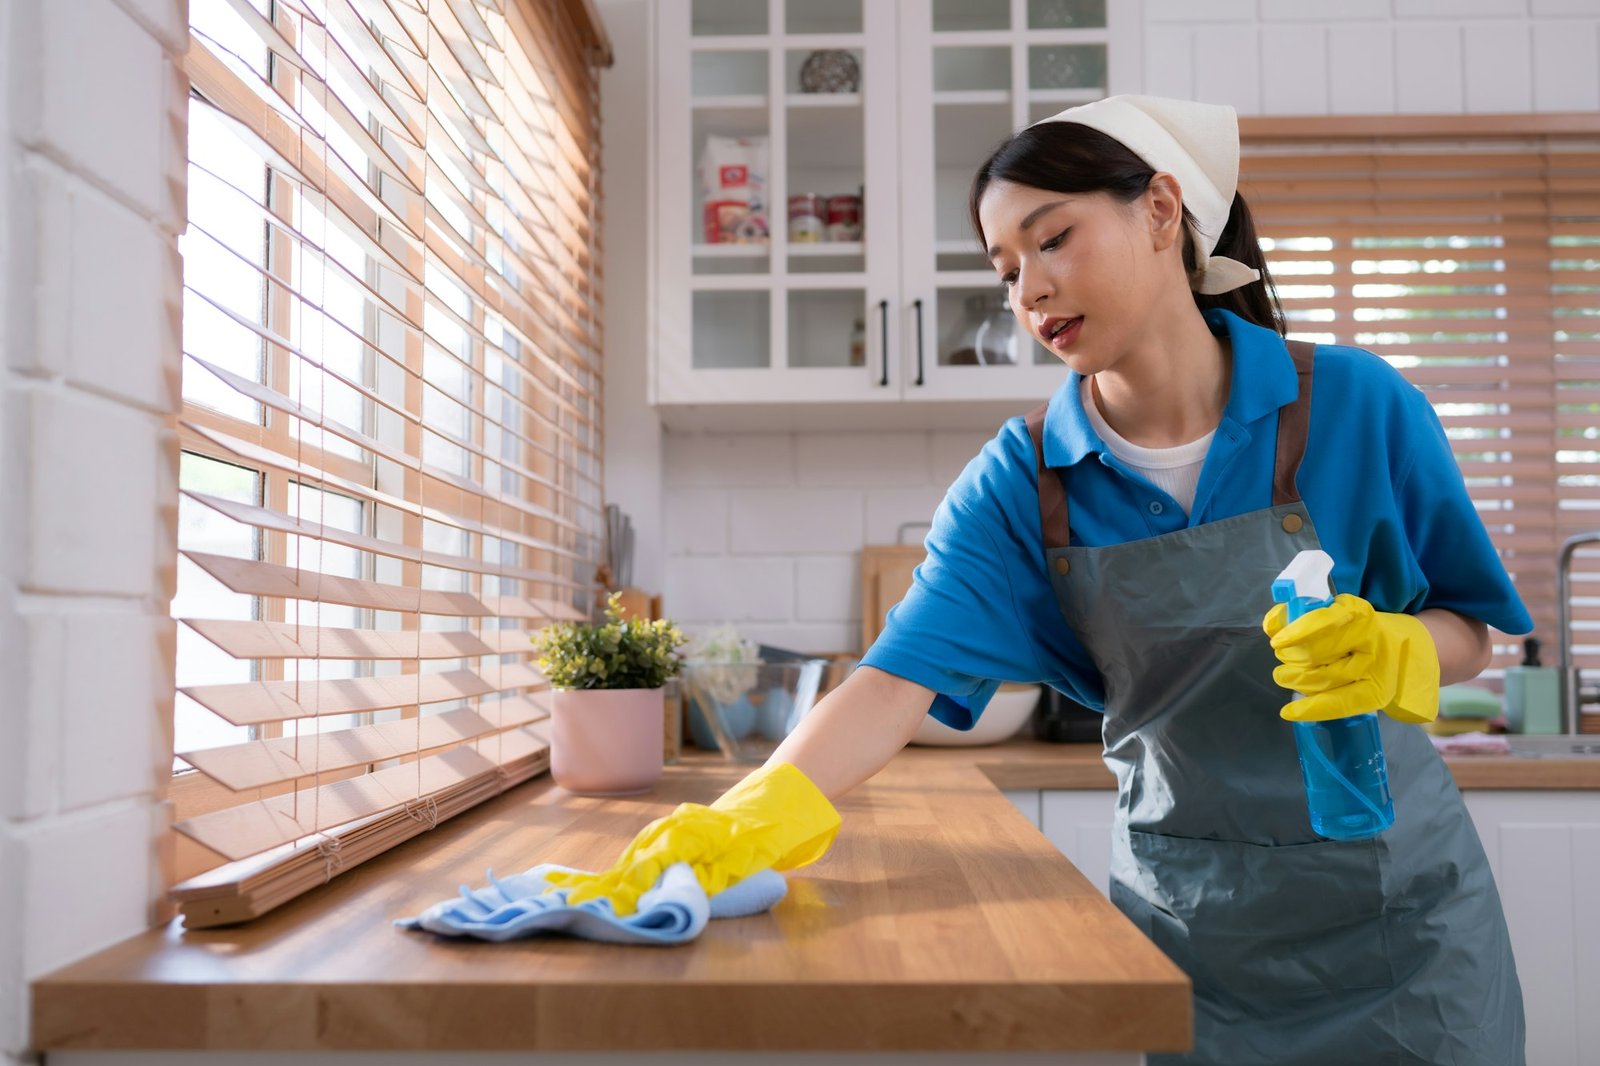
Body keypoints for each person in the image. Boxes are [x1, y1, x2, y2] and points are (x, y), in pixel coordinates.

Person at [545, 95, 1531, 1066]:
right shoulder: (1024, 481)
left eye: (1051, 239)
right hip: (1196, 932)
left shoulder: (1356, 404)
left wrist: (1399, 651)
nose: (1027, 291)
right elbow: (893, 680)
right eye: (1005, 269)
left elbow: (1470, 626)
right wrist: (747, 815)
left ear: (1157, 211)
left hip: (1401, 930)